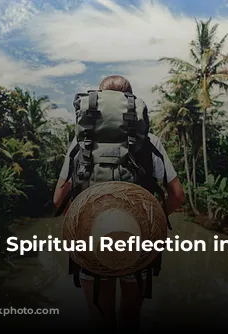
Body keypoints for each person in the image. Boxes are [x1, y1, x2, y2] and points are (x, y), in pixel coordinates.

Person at [53, 75, 185, 331]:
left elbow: (58, 199)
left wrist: (83, 221)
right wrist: (152, 222)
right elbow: (177, 196)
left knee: (99, 316)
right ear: (130, 104)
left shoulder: (80, 145)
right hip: (137, 241)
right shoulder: (149, 142)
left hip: (91, 242)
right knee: (130, 318)